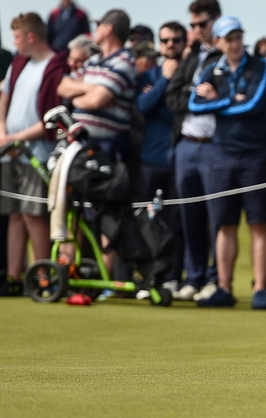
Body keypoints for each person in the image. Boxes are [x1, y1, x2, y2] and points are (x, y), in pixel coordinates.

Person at [187, 16, 266, 308]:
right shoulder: (212, 69)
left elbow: (254, 104)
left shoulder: (261, 66)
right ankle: (223, 287)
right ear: (219, 42)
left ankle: (260, 289)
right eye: (229, 39)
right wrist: (229, 99)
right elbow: (194, 105)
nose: (236, 43)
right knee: (224, 223)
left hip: (255, 155)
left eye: (239, 37)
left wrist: (219, 99)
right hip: (221, 155)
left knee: (258, 223)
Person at [0, 13, 68, 296]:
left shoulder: (54, 65)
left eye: (17, 37)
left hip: (35, 152)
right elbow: (4, 95)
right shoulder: (19, 63)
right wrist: (3, 133)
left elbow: (52, 118)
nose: (14, 43)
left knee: (33, 215)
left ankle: (43, 276)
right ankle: (15, 277)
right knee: (15, 215)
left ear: (31, 37)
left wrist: (15, 139)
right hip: (10, 151)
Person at [164, 0, 223, 301]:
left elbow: (228, 101)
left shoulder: (227, 55)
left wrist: (212, 98)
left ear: (216, 20)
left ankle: (215, 279)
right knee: (190, 216)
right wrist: (196, 95)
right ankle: (194, 276)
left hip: (214, 146)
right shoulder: (192, 56)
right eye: (194, 25)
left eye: (202, 24)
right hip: (185, 144)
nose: (197, 30)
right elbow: (172, 96)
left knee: (216, 217)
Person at [134, 21, 188, 293]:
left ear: (183, 41)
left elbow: (176, 109)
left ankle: (173, 277)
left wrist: (161, 96)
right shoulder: (151, 75)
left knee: (177, 222)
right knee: (146, 221)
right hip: (151, 159)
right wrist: (165, 81)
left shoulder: (191, 73)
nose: (171, 45)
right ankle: (147, 277)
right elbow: (143, 106)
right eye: (166, 40)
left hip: (179, 160)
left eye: (176, 40)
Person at [57, 9, 135, 163]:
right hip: (78, 145)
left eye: (99, 25)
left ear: (108, 29)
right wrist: (90, 89)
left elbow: (96, 101)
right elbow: (63, 87)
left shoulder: (124, 62)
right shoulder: (93, 60)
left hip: (105, 149)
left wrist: (75, 98)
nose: (95, 30)